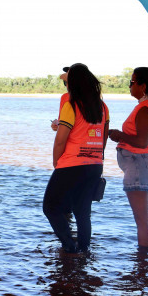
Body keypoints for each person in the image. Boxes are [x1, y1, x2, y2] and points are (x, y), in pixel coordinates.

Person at [43, 63, 109, 253]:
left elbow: (60, 139)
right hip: (95, 164)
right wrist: (96, 157)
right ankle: (84, 251)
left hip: (71, 163)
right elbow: (103, 138)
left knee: (50, 207)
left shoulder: (71, 105)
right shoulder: (102, 106)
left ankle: (69, 247)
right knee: (83, 212)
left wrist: (57, 163)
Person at [108, 67, 148, 248]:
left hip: (140, 164)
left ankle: (142, 264)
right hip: (143, 163)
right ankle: (144, 265)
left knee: (141, 220)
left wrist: (119, 134)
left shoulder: (146, 109)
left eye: (132, 82)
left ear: (143, 86)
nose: (129, 86)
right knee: (144, 219)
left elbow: (141, 142)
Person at [51, 66, 70, 132]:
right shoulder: (65, 97)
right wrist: (57, 126)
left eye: (69, 82)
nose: (67, 85)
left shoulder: (66, 98)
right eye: (65, 82)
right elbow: (61, 122)